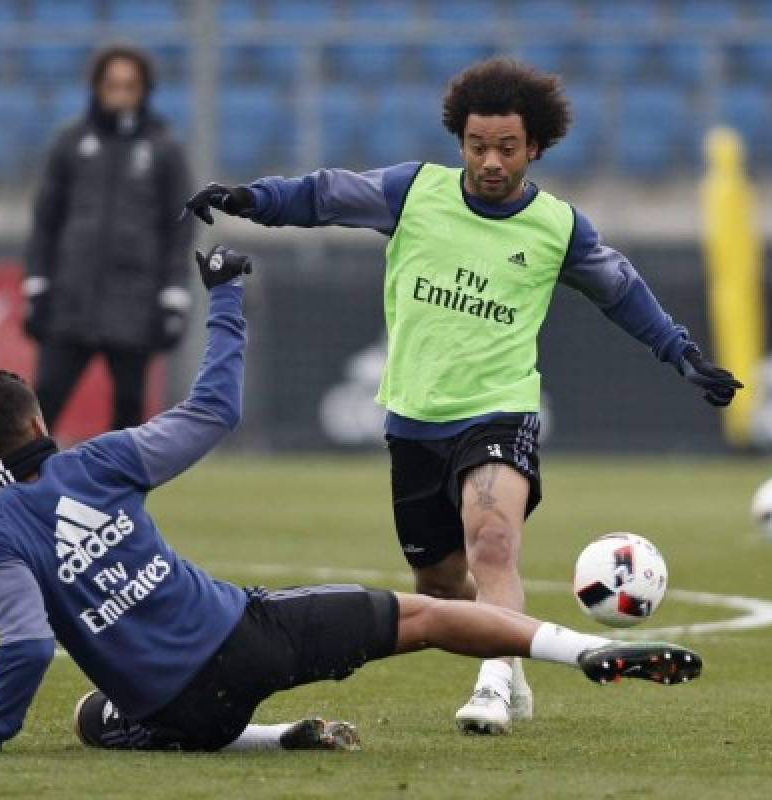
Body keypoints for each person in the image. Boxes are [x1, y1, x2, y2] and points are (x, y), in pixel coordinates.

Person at [0, 245, 703, 755]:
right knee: (428, 615)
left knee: (90, 717)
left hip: (186, 716)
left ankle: (275, 739)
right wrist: (228, 296)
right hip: (248, 639)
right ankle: (588, 649)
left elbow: (29, 646)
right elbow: (212, 413)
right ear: (39, 423)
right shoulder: (98, 463)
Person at [181, 58, 739, 734]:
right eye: (478, 146)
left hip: (500, 408)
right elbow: (328, 194)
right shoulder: (415, 192)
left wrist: (680, 352)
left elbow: (620, 290)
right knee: (441, 588)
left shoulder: (558, 227)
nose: (492, 161)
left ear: (536, 146)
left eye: (507, 148)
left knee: (494, 541)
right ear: (461, 141)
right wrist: (255, 201)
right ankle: (517, 645)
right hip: (415, 420)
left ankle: (495, 684)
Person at [23, 44, 195, 432]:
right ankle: (15, 487)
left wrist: (174, 297)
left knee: (129, 412)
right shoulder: (70, 143)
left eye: (129, 85)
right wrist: (37, 286)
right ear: (97, 87)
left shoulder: (164, 148)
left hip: (134, 303)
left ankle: (117, 494)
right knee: (42, 402)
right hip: (72, 299)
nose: (120, 94)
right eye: (112, 84)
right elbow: (45, 221)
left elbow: (179, 228)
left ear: (144, 89)